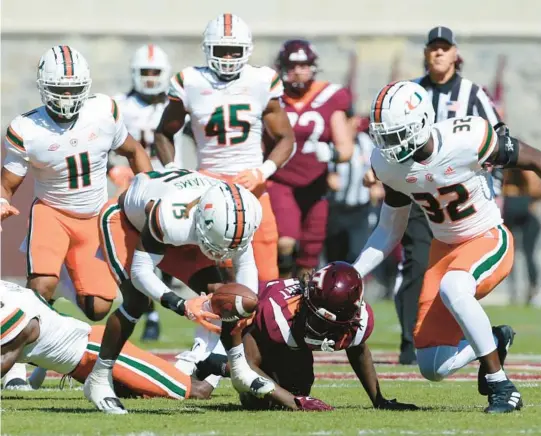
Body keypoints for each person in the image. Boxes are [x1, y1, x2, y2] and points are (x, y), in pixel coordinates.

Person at [353, 80, 541, 413]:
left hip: (487, 237)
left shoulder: (467, 138)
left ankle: (502, 387)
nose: (389, 145)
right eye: (384, 136)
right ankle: (495, 339)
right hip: (443, 251)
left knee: (454, 287)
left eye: (396, 135)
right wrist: (354, 273)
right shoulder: (388, 166)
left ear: (421, 123)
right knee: (434, 366)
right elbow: (388, 230)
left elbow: (534, 159)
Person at [0, 46, 152, 389]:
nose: (67, 97)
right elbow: (8, 183)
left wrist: (149, 190)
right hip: (52, 212)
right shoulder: (27, 128)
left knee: (99, 307)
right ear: (43, 86)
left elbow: (135, 151)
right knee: (40, 287)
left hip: (94, 218)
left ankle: (59, 305)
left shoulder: (104, 111)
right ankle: (15, 371)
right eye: (59, 89)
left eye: (73, 89)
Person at [83, 169, 275, 414]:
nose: (221, 255)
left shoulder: (241, 212)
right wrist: (181, 304)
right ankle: (99, 377)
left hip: (185, 230)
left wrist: (247, 305)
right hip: (126, 224)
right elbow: (142, 273)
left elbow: (246, 266)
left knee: (228, 298)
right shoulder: (169, 217)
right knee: (136, 301)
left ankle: (239, 370)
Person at [377, 26, 506, 364]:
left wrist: (498, 186)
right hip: (419, 189)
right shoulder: (411, 91)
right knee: (414, 262)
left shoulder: (471, 94)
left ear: (455, 53)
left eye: (444, 48)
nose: (438, 53)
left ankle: (483, 352)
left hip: (463, 191)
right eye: (432, 47)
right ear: (426, 53)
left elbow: (500, 138)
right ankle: (412, 340)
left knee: (456, 280)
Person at [154, 13, 295, 283]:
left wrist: (262, 171)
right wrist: (173, 171)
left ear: (247, 51)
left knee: (268, 275)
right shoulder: (190, 81)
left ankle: (264, 324)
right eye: (222, 51)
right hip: (209, 185)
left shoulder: (262, 80)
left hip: (253, 185)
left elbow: (285, 138)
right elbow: (163, 133)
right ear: (208, 50)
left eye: (234, 51)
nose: (228, 58)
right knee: (225, 275)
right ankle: (217, 324)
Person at [195, 262, 418, 411]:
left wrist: (379, 400)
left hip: (290, 337)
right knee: (259, 401)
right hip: (248, 326)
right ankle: (220, 365)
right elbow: (248, 367)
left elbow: (357, 348)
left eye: (326, 322)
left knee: (299, 387)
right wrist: (295, 402)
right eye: (316, 316)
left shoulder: (358, 320)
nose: (318, 325)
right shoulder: (278, 315)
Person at [0, 280, 214, 400]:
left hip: (96, 351)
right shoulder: (7, 294)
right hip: (80, 367)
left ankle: (223, 364)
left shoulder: (15, 311)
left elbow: (3, 361)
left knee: (193, 391)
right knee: (142, 396)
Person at [267, 39, 354, 279]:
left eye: (304, 65)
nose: (298, 71)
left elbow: (346, 148)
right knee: (285, 242)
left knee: (309, 256)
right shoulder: (272, 95)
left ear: (313, 67)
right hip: (281, 179)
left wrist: (332, 154)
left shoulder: (329, 95)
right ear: (282, 67)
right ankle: (280, 294)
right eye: (292, 66)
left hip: (316, 185)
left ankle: (304, 305)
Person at [112, 43, 175, 341]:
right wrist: (111, 168)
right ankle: (148, 313)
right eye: (145, 72)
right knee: (136, 253)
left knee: (166, 257)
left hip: (171, 189)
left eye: (155, 72)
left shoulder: (174, 104)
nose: (150, 78)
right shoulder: (118, 106)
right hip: (131, 189)